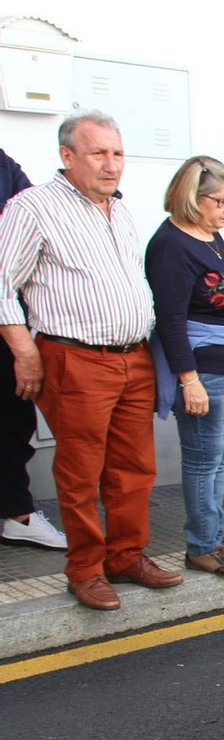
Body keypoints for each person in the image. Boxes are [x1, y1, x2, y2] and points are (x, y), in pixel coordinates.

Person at [0, 111, 179, 610]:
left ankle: (125, 556)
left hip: (132, 357)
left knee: (134, 468)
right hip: (75, 357)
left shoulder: (119, 210)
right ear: (67, 156)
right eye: (98, 153)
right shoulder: (31, 206)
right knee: (81, 472)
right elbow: (0, 284)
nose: (111, 164)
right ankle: (85, 569)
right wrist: (24, 350)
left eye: (117, 153)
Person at [145, 156, 224, 576]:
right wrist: (189, 381)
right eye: (221, 200)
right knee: (203, 460)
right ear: (191, 197)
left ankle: (215, 535)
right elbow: (171, 320)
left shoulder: (210, 236)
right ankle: (201, 543)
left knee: (220, 460)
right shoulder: (171, 245)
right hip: (204, 370)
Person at [0, 147, 67, 551]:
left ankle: (17, 514)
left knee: (12, 418)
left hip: (7, 319)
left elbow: (26, 228)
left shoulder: (4, 166)